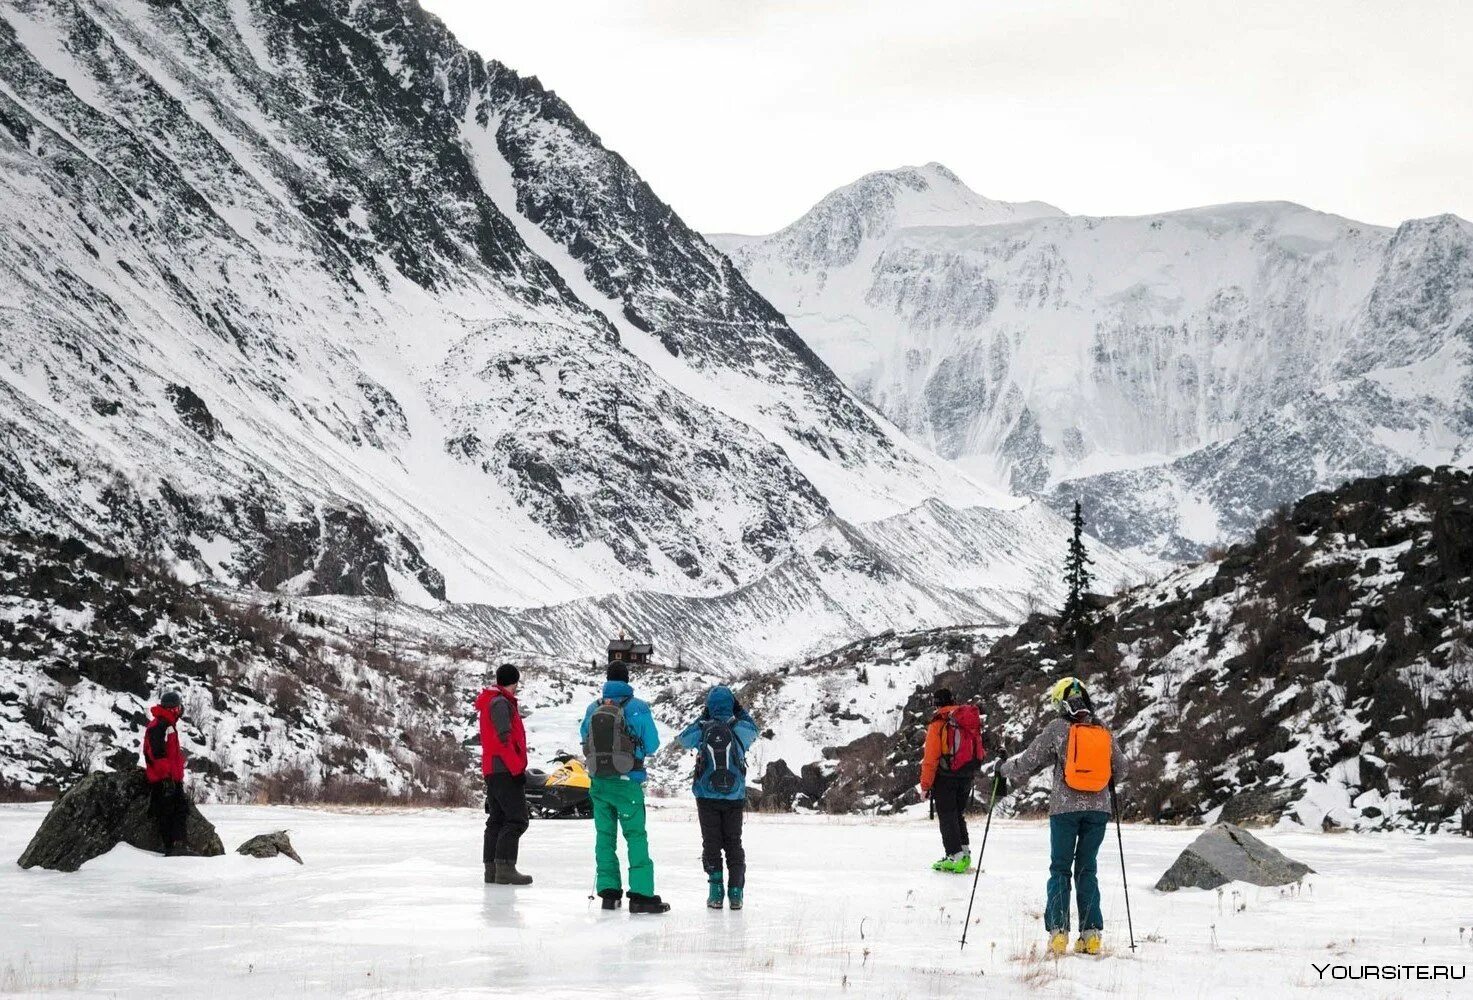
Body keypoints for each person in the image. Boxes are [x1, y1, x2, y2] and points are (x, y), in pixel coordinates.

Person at [999, 676, 1126, 956]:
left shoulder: (1058, 728)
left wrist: (1003, 769)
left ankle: (1058, 935)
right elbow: (1122, 768)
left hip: (1065, 810)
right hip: (1099, 809)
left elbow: (1029, 760)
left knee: (1060, 869)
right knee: (1087, 868)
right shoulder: (1102, 729)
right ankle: (1091, 936)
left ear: (1060, 702)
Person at [580, 660, 667, 914]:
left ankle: (609, 893)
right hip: (628, 782)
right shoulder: (638, 708)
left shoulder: (593, 708)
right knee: (635, 837)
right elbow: (652, 745)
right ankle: (641, 895)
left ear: (607, 680)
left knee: (604, 837)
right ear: (627, 680)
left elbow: (584, 738)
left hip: (599, 783)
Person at [677, 685, 758, 909]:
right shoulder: (740, 728)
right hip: (734, 796)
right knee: (734, 842)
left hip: (706, 796)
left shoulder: (703, 728)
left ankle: (715, 892)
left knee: (711, 843)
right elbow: (755, 730)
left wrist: (703, 717)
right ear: (731, 704)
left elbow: (683, 739)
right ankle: (736, 893)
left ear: (710, 706)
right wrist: (739, 710)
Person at [476, 664, 532, 886]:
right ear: (514, 682)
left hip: (493, 769)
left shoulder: (492, 701)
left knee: (497, 819)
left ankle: (492, 870)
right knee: (517, 819)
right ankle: (505, 868)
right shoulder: (501, 703)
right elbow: (504, 741)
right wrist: (517, 769)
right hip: (504, 769)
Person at [919, 687, 984, 873]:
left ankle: (954, 856)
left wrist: (925, 785)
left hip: (946, 776)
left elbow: (931, 757)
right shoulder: (964, 718)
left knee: (947, 816)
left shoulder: (939, 722)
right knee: (957, 815)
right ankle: (964, 853)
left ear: (936, 703)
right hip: (966, 775)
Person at [141, 690, 189, 856]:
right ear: (173, 709)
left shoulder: (167, 725)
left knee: (180, 810)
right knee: (168, 812)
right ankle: (171, 847)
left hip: (171, 778)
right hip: (163, 779)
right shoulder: (159, 725)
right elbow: (156, 754)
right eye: (178, 707)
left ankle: (177, 845)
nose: (180, 710)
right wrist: (167, 777)